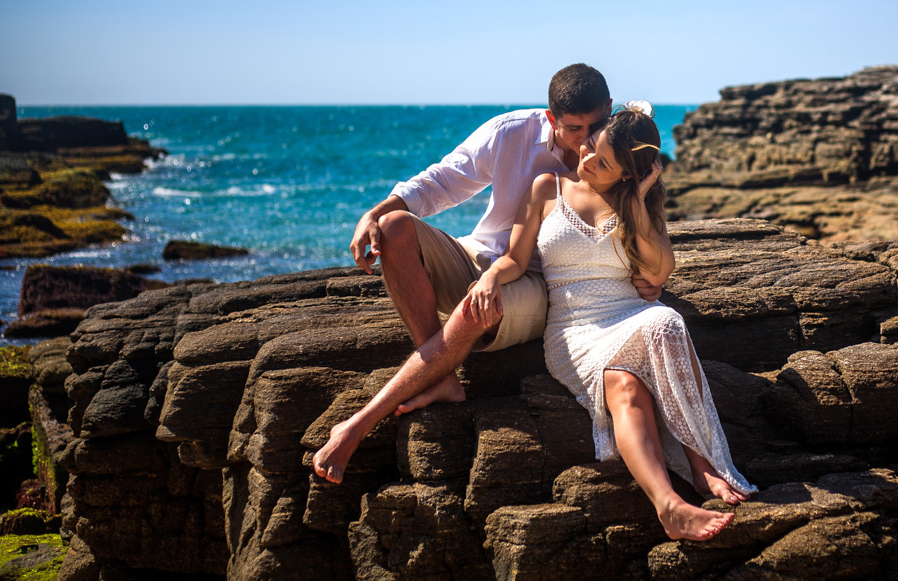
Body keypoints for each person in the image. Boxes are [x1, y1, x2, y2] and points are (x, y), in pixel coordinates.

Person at [314, 64, 661, 483]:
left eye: (596, 123)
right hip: (482, 254)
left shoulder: (617, 160)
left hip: (542, 284)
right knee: (394, 229)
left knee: (479, 305)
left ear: (609, 108)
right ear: (551, 118)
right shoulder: (511, 132)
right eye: (573, 128)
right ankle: (441, 376)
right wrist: (375, 212)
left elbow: (645, 236)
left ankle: (360, 423)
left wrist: (647, 278)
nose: (586, 138)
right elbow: (443, 179)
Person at [462, 104, 755, 541]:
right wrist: (488, 277)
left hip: (627, 312)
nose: (587, 160)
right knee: (632, 369)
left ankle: (699, 473)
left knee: (659, 331)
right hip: (573, 329)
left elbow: (658, 272)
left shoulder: (635, 202)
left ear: (627, 175)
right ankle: (672, 502)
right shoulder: (547, 188)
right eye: (590, 148)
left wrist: (636, 199)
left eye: (603, 162)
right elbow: (515, 259)